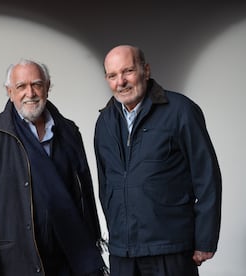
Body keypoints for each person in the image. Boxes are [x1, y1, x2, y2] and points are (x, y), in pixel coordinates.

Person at [0, 59, 107, 276]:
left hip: (70, 252)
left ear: (47, 87)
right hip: (18, 256)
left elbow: (84, 190)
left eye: (37, 84)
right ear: (9, 92)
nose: (30, 93)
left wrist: (92, 238)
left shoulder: (69, 131)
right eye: (21, 86)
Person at [94, 45, 222, 276]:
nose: (121, 81)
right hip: (123, 252)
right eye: (113, 75)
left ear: (146, 70)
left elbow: (207, 177)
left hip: (169, 247)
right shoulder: (104, 121)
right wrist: (116, 235)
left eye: (128, 71)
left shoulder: (180, 110)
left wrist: (205, 239)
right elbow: (105, 185)